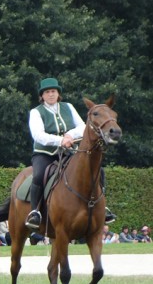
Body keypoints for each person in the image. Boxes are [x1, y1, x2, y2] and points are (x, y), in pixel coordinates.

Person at [25, 77, 115, 230]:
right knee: (39, 175)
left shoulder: (68, 107)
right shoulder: (36, 112)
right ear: (42, 96)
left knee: (98, 170)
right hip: (45, 153)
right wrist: (60, 141)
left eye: (53, 91)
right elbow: (38, 135)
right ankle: (35, 212)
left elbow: (82, 126)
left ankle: (102, 207)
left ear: (58, 93)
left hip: (68, 151)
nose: (51, 94)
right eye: (47, 92)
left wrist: (69, 136)